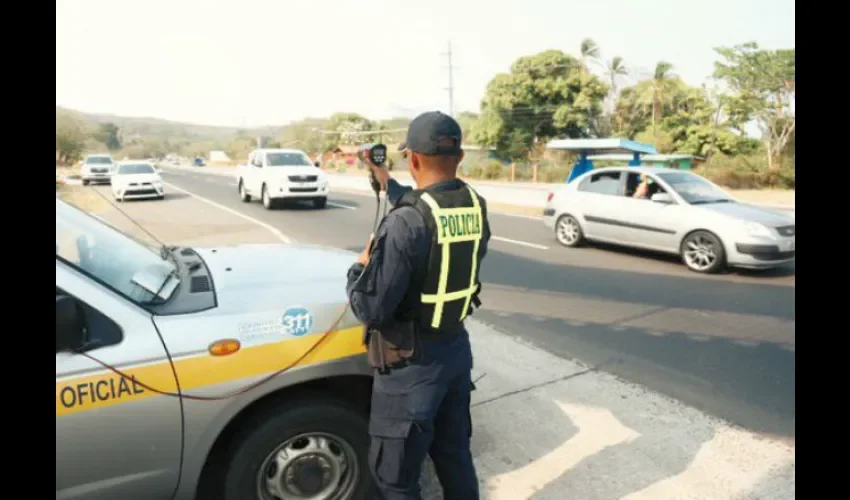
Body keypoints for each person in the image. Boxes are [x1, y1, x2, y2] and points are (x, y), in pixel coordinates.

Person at [346, 111, 490, 500]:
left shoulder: (404, 223)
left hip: (411, 370)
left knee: (395, 479)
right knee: (455, 458)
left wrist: (358, 268)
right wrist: (384, 181)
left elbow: (372, 308)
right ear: (460, 157)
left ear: (412, 159)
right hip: (455, 355)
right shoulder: (475, 205)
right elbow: (428, 212)